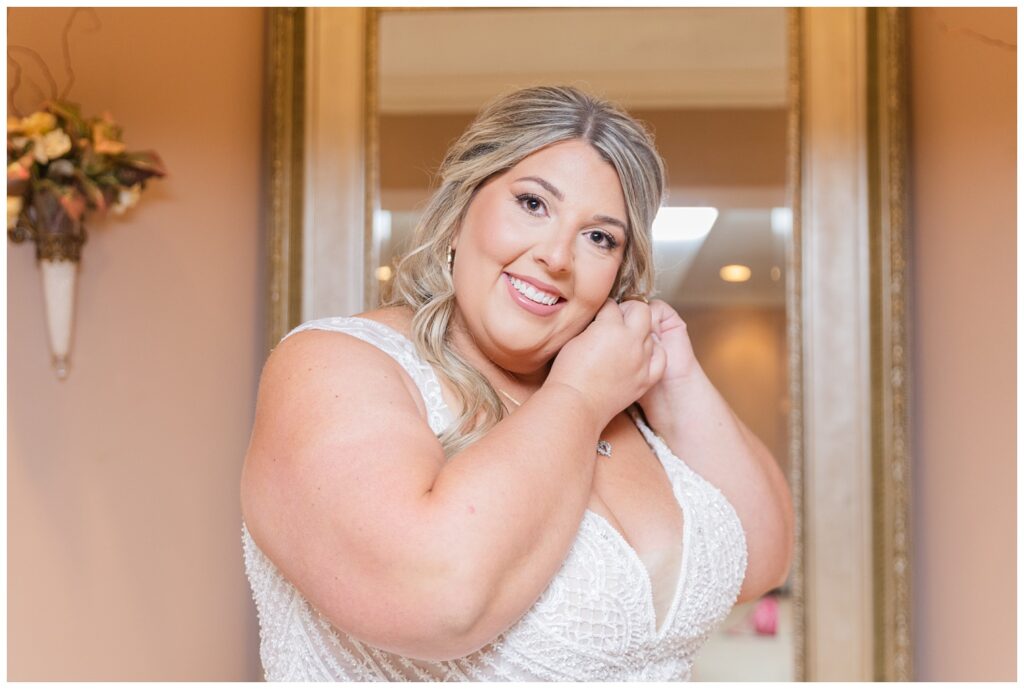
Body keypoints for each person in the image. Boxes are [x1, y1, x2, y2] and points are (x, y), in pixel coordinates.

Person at [240, 85, 793, 681]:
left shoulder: (622, 404)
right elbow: (436, 600)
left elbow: (760, 562)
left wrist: (675, 377)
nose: (557, 256)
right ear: (459, 214)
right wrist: (579, 397)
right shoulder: (337, 363)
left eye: (599, 237)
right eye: (532, 203)